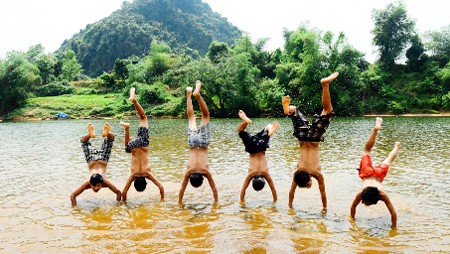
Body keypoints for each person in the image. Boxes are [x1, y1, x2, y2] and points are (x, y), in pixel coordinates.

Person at [282, 72, 339, 210]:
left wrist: (324, 209)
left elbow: (323, 193)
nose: (309, 186)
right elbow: (291, 192)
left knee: (328, 110)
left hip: (314, 139)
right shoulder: (298, 172)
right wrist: (289, 206)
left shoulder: (317, 174)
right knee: (294, 111)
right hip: (302, 138)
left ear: (307, 179)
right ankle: (288, 110)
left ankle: (325, 85)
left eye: (307, 185)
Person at [350, 117, 401, 228]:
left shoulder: (363, 194)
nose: (362, 203)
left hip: (376, 174)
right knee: (369, 152)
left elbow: (353, 207)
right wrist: (394, 228)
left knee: (384, 159)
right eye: (364, 202)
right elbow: (393, 213)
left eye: (363, 202)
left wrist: (352, 222)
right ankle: (393, 144)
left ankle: (393, 143)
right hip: (371, 174)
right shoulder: (382, 195)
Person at [120, 87, 164, 202]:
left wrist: (162, 199)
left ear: (145, 181)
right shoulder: (133, 175)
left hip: (143, 143)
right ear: (135, 182)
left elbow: (161, 187)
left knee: (143, 117)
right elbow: (124, 192)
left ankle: (134, 101)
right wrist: (123, 201)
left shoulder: (148, 174)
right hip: (133, 145)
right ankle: (127, 129)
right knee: (127, 149)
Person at [178, 80, 218, 204]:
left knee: (206, 115)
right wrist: (179, 201)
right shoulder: (188, 172)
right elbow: (182, 190)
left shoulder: (206, 172)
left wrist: (216, 201)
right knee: (191, 117)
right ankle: (190, 94)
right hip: (193, 142)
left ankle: (198, 95)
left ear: (202, 178)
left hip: (204, 143)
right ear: (191, 178)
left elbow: (214, 188)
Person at [70, 123, 121, 206]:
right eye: (94, 186)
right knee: (85, 142)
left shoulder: (93, 183)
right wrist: (118, 205)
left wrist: (75, 209)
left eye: (97, 186)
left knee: (85, 142)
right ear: (90, 183)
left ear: (101, 183)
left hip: (97, 160)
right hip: (98, 160)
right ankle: (106, 133)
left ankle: (91, 135)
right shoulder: (100, 182)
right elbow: (118, 193)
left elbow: (73, 196)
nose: (95, 188)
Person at [237, 110, 278, 203]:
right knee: (240, 130)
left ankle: (270, 131)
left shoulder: (265, 174)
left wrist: (275, 200)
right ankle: (246, 122)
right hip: (251, 148)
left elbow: (273, 190)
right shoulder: (251, 174)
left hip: (262, 146)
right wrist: (242, 202)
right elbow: (243, 189)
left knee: (268, 127)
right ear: (252, 181)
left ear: (264, 180)